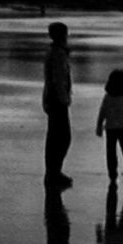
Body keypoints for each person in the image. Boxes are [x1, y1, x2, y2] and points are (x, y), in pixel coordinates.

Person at [94, 68, 123, 183]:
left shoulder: (108, 97)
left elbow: (102, 112)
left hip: (110, 129)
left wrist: (99, 126)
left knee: (111, 153)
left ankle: (113, 176)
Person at [43, 21, 73, 185]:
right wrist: (64, 99)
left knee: (55, 137)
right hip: (57, 99)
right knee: (62, 138)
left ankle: (53, 172)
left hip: (53, 97)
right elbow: (58, 79)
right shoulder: (58, 53)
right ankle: (54, 173)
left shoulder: (55, 52)